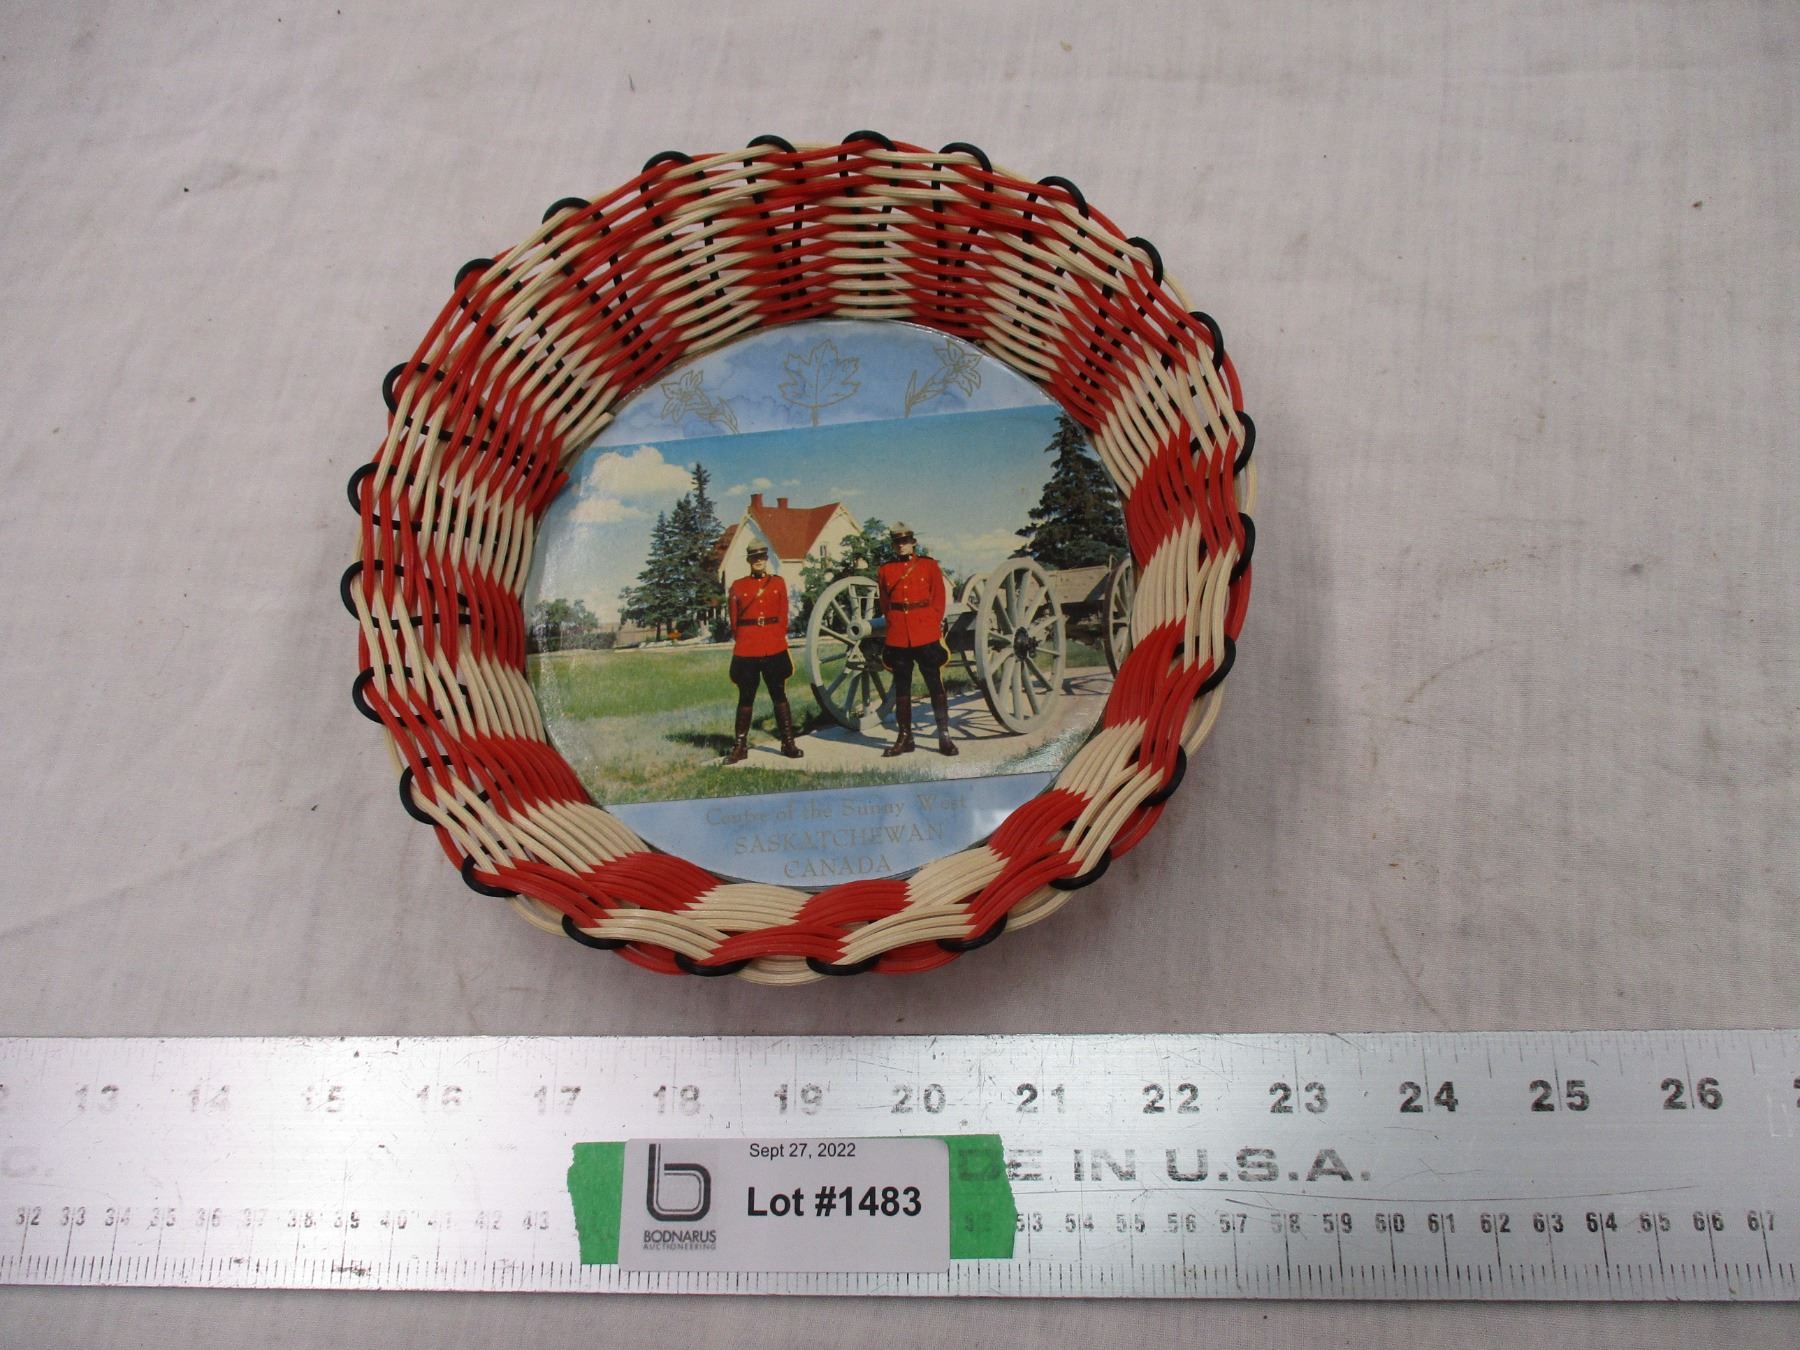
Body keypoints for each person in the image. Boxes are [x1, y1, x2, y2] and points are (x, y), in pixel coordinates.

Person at [876, 522, 957, 757]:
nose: (901, 546)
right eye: (897, 542)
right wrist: (894, 623)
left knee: (934, 684)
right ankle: (905, 737)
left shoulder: (929, 566)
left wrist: (931, 623)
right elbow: (885, 603)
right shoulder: (885, 570)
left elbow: (938, 599)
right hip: (899, 635)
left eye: (905, 542)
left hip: (925, 632)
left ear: (913, 543)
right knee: (902, 688)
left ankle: (944, 736)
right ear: (893, 545)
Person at [725, 545, 803, 763]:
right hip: (747, 647)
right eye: (754, 558)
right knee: (746, 697)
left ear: (766, 559)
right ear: (749, 561)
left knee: (779, 694)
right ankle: (740, 746)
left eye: (761, 557)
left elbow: (783, 615)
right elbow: (734, 622)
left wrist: (776, 637)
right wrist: (746, 639)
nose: (758, 561)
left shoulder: (777, 583)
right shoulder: (738, 586)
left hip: (773, 645)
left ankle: (788, 742)